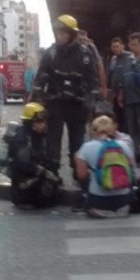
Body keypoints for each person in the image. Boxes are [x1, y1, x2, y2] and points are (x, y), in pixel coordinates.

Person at [32, 14, 100, 178]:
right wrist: (38, 101)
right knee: (52, 140)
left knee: (77, 140)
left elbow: (92, 80)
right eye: (58, 33)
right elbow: (40, 78)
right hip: (55, 104)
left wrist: (91, 103)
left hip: (77, 104)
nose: (59, 36)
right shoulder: (50, 53)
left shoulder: (85, 54)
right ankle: (52, 171)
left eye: (63, 33)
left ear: (72, 34)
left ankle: (78, 170)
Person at [75, 115, 136, 218]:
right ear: (112, 130)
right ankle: (120, 208)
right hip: (123, 198)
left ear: (93, 131)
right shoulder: (123, 145)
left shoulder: (86, 147)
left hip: (99, 200)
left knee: (87, 186)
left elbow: (81, 176)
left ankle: (97, 209)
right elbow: (132, 171)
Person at [4, 102, 61, 209]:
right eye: (39, 121)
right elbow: (23, 163)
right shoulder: (22, 138)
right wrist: (43, 171)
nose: (43, 124)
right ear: (30, 122)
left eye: (44, 121)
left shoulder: (41, 136)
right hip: (24, 182)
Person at [106, 37, 131, 133]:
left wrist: (122, 91)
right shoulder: (113, 59)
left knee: (126, 118)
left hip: (125, 93)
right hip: (115, 93)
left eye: (117, 46)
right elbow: (110, 73)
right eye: (113, 47)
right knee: (117, 116)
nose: (115, 49)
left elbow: (126, 75)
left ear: (122, 46)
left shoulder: (129, 57)